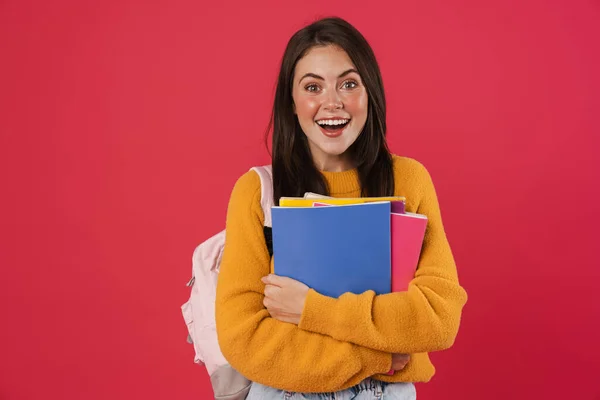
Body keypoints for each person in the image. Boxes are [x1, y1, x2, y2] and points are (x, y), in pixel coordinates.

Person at [215, 16, 468, 399]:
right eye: (312, 87)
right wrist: (377, 353)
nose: (331, 103)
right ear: (292, 102)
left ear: (370, 95)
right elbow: (244, 338)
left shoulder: (407, 179)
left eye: (348, 84)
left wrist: (311, 310)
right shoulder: (257, 191)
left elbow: (438, 318)